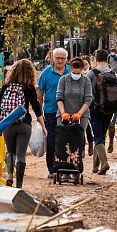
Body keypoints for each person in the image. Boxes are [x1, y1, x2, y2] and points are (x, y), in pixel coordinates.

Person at [0, 59, 45, 189]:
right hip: (24, 124)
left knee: (10, 151)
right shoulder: (29, 87)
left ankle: (10, 175)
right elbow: (36, 107)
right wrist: (43, 126)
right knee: (21, 154)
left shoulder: (6, 86)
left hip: (8, 124)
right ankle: (19, 185)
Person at [87, 49, 117, 175]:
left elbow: (86, 93)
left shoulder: (91, 74)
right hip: (110, 109)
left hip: (94, 108)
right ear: (107, 59)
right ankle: (95, 166)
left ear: (96, 58)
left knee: (97, 137)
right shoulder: (113, 74)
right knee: (101, 136)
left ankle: (104, 163)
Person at [37, 48, 70, 178]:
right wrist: (39, 112)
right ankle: (52, 169)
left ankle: (66, 167)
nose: (60, 61)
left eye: (62, 58)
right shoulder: (45, 73)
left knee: (66, 141)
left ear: (66, 59)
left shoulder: (70, 72)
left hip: (68, 113)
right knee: (51, 141)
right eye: (57, 58)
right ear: (53, 58)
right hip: (50, 112)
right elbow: (40, 93)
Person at [56, 57, 92, 146]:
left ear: (82, 70)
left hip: (82, 114)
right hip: (64, 113)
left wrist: (79, 113)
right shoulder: (63, 79)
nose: (76, 74)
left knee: (77, 139)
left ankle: (79, 155)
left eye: (78, 73)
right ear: (70, 69)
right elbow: (59, 97)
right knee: (63, 139)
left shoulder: (86, 81)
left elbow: (88, 100)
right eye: (74, 73)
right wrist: (63, 112)